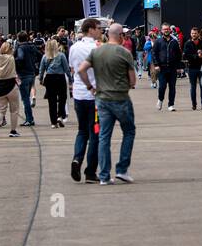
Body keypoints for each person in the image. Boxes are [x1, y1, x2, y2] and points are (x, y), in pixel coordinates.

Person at [77, 22, 137, 185]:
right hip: (120, 98)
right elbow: (133, 80)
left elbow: (81, 69)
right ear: (121, 36)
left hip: (102, 98)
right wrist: (128, 83)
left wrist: (90, 86)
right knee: (129, 131)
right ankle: (122, 169)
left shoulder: (96, 51)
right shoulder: (125, 53)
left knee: (104, 136)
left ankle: (103, 175)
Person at [68, 18, 102, 182]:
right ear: (91, 29)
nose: (101, 31)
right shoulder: (97, 47)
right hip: (94, 97)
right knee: (95, 133)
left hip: (79, 95)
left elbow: (73, 69)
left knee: (82, 131)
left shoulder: (74, 47)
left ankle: (77, 159)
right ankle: (90, 171)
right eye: (99, 28)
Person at [0, 41, 22, 138]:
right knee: (14, 110)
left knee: (0, 109)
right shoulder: (11, 58)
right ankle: (13, 130)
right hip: (11, 85)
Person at [38, 38, 71, 128]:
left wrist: (41, 79)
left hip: (49, 78)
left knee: (51, 101)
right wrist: (70, 79)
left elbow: (41, 69)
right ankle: (60, 115)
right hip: (60, 77)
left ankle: (53, 122)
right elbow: (66, 68)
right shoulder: (61, 55)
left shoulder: (45, 56)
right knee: (62, 98)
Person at [152, 24, 182, 111]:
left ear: (170, 30)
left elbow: (178, 55)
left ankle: (171, 105)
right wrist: (156, 65)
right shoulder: (158, 41)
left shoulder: (174, 41)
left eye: (167, 29)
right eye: (164, 29)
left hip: (172, 68)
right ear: (161, 31)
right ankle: (160, 100)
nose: (166, 30)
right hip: (162, 68)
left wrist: (179, 66)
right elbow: (154, 54)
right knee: (162, 86)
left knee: (172, 87)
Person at [14, 32, 41, 127]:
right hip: (31, 73)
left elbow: (20, 58)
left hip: (24, 75)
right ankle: (29, 119)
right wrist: (35, 64)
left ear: (18, 39)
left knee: (25, 98)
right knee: (27, 97)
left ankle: (29, 119)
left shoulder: (21, 48)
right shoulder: (31, 46)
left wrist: (15, 61)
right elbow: (40, 55)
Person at [183, 27, 202, 110]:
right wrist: (196, 56)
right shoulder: (187, 44)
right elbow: (186, 55)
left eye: (195, 33)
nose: (193, 35)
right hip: (192, 68)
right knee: (193, 87)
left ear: (198, 34)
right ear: (190, 34)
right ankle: (194, 104)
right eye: (192, 33)